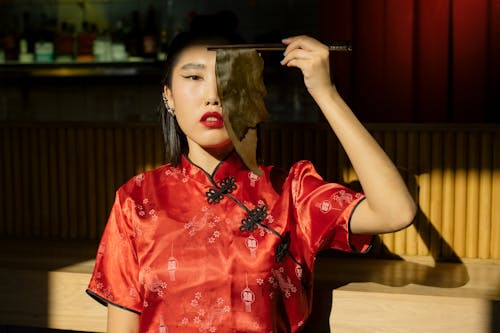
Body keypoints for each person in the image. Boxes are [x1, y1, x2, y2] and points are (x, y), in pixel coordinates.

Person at [86, 31, 417, 333]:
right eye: (194, 76)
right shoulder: (137, 199)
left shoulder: (291, 192)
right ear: (168, 96)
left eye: (228, 81)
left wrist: (325, 92)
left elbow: (395, 211)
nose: (213, 95)